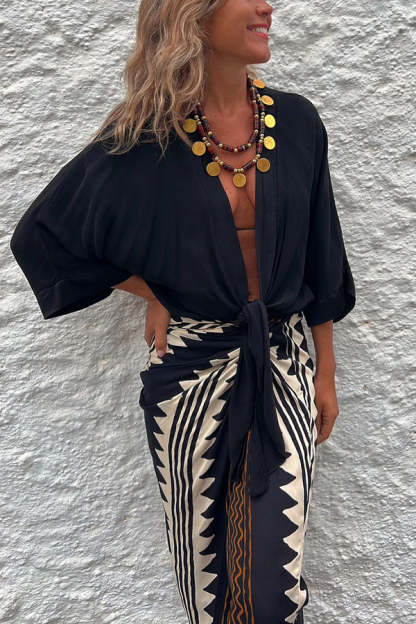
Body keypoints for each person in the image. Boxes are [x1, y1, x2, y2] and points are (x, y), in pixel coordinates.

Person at [9, 1, 356, 622]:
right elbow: (46, 237)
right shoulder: (148, 138)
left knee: (274, 587)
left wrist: (325, 369)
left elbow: (321, 256)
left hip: (282, 367)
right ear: (194, 15)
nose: (266, 6)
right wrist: (157, 291)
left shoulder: (298, 123)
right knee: (212, 581)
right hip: (191, 378)